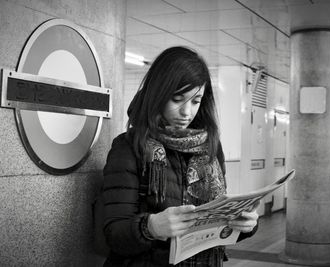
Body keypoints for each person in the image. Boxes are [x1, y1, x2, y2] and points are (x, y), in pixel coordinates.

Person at [102, 46, 259, 266]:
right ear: (158, 94)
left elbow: (217, 219)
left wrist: (243, 225)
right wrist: (151, 227)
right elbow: (112, 234)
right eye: (177, 99)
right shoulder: (129, 146)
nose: (187, 112)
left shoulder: (211, 147)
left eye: (196, 101)